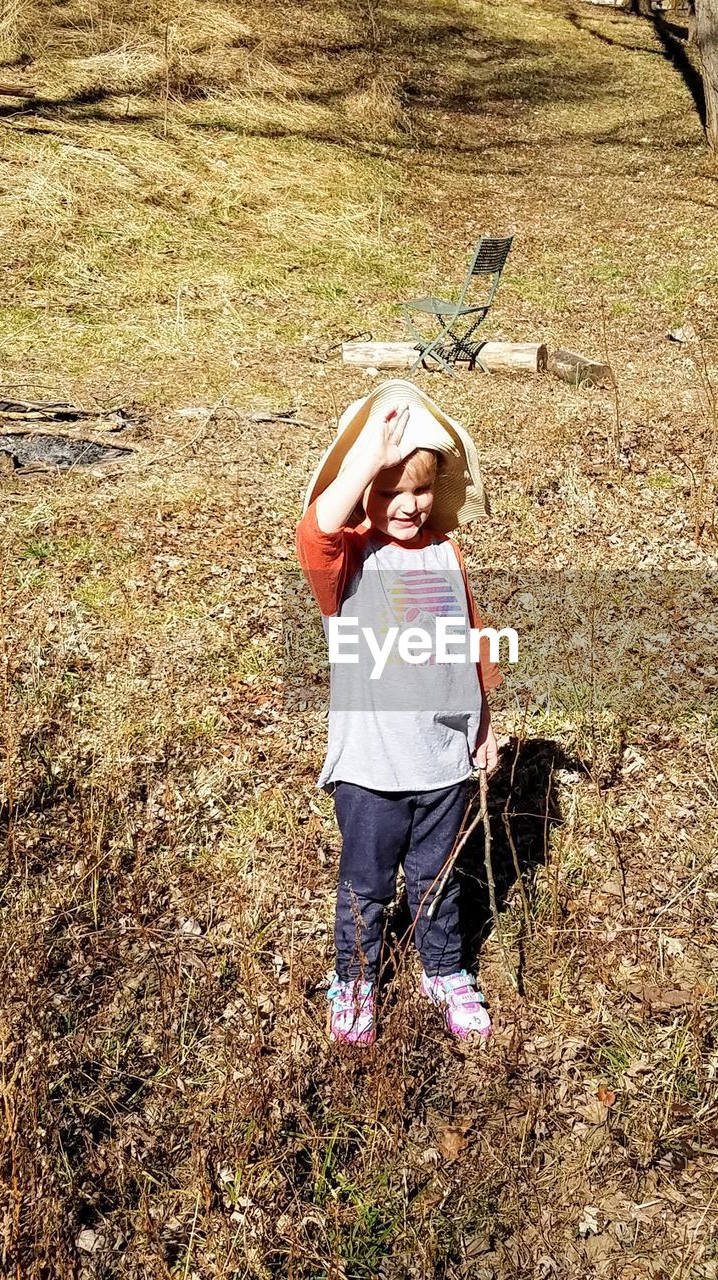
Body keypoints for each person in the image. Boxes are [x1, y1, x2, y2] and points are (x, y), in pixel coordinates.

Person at [295, 378, 501, 1046]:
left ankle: (444, 970)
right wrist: (366, 460)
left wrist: (486, 723)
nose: (408, 506)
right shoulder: (349, 559)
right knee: (367, 882)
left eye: (419, 490)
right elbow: (317, 528)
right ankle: (355, 978)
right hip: (373, 767)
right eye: (390, 492)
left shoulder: (445, 551)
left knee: (438, 877)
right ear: (365, 495)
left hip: (443, 759)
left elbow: (471, 639)